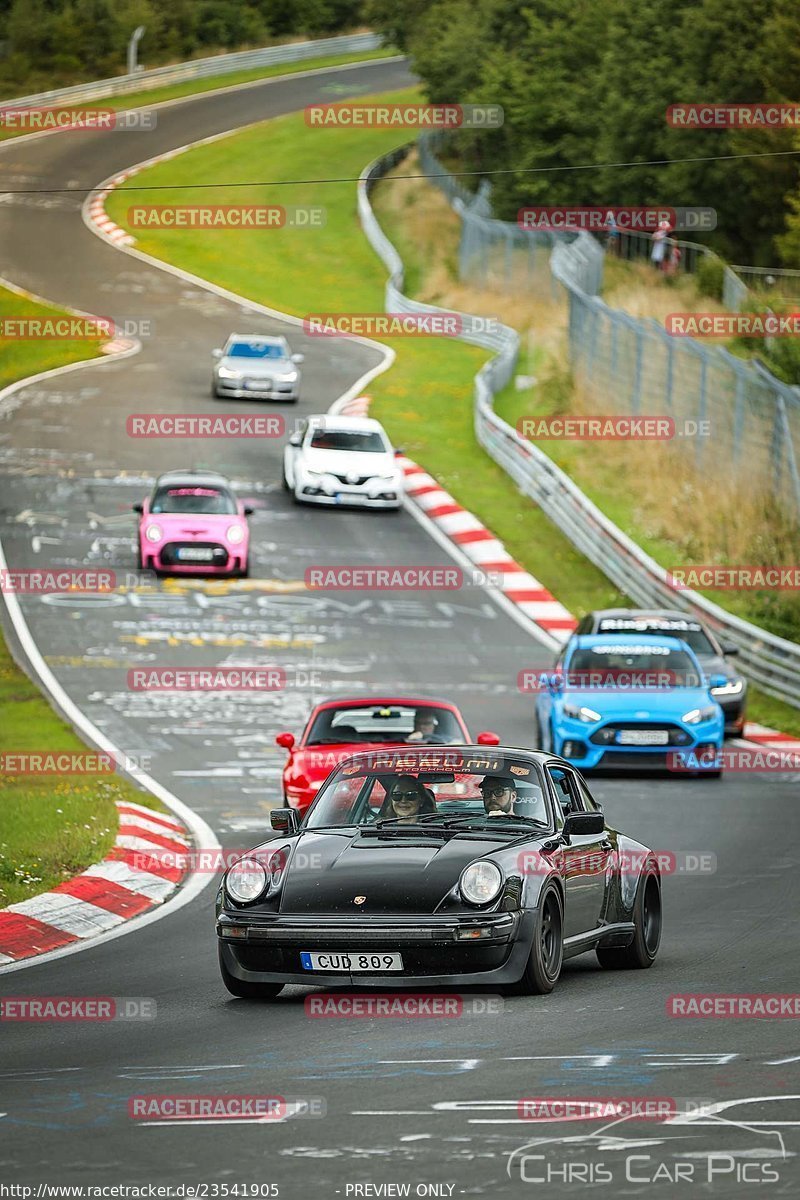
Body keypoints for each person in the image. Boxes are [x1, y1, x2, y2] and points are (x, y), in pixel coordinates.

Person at [479, 774, 548, 823]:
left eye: (499, 792)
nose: (492, 797)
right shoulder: (475, 825)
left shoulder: (526, 827)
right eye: (487, 792)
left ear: (513, 796)